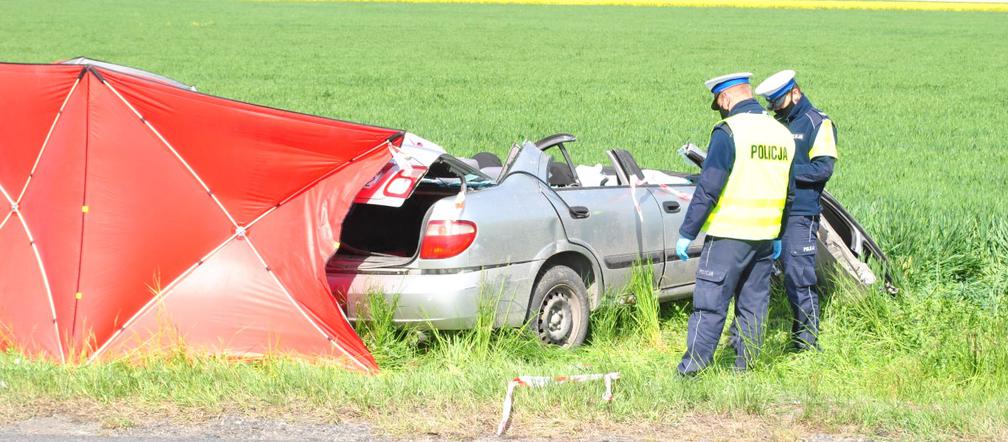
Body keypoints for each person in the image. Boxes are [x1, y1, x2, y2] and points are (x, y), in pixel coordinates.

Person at [673, 72, 796, 375]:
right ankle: (746, 370)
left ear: (725, 98)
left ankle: (693, 371)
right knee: (754, 307)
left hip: (729, 234)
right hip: (765, 238)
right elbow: (789, 192)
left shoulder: (729, 131)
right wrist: (778, 234)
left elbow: (709, 186)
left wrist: (687, 232)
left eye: (720, 104)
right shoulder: (780, 133)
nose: (722, 109)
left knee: (709, 304)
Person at [755, 70, 838, 351]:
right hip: (769, 211)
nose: (775, 108)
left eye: (778, 102)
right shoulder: (775, 124)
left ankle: (807, 343)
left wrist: (783, 170)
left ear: (795, 93)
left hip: (800, 214)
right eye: (771, 104)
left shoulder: (819, 123)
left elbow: (822, 170)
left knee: (798, 277)